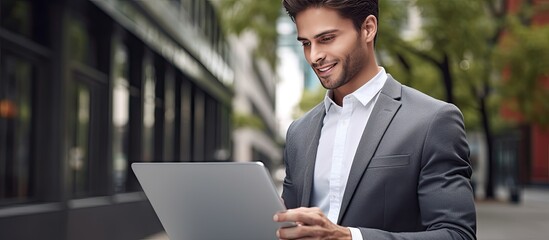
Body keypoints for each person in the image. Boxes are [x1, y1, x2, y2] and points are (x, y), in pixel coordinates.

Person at [273, 0, 477, 239]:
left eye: (327, 39)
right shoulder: (299, 132)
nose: (314, 56)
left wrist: (350, 237)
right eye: (306, 43)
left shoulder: (433, 121)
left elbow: (456, 234)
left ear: (368, 28)